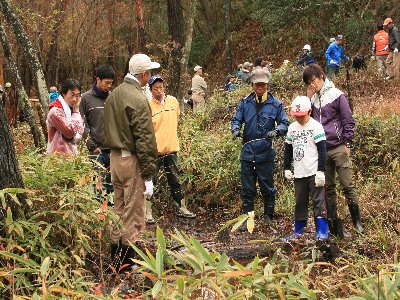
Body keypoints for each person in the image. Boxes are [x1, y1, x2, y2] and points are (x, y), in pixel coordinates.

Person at [104, 53, 159, 272]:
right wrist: (148, 175)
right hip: (131, 159)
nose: (151, 77)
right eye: (150, 73)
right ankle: (125, 264)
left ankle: (114, 259)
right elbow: (145, 140)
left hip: (115, 158)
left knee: (118, 209)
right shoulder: (137, 99)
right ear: (144, 74)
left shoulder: (114, 94)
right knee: (133, 213)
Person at [303, 64, 363, 237]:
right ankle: (334, 224)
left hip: (338, 147)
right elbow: (307, 122)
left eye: (313, 80)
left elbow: (348, 120)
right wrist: (308, 99)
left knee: (347, 185)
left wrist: (348, 143)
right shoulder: (312, 100)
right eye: (309, 82)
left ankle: (357, 222)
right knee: (328, 188)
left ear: (321, 76)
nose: (312, 84)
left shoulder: (337, 95)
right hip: (322, 150)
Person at [231, 69, 289, 229]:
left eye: (263, 84)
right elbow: (236, 119)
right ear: (253, 85)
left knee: (267, 185)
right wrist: (235, 129)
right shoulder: (245, 102)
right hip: (248, 151)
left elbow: (285, 123)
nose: (260, 87)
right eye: (257, 84)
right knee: (247, 187)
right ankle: (248, 219)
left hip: (266, 152)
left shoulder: (276, 104)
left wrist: (277, 131)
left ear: (267, 84)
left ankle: (268, 216)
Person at [146, 75, 196, 223]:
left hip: (172, 149)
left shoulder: (173, 101)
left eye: (161, 87)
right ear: (151, 90)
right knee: (150, 181)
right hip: (155, 151)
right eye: (155, 88)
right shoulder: (148, 105)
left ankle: (182, 206)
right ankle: (147, 211)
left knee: (175, 179)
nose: (159, 91)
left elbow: (177, 119)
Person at [284, 96, 328, 240]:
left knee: (318, 202)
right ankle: (299, 232)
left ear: (309, 111)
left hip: (314, 171)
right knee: (300, 203)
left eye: (301, 116)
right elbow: (288, 149)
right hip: (299, 172)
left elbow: (322, 150)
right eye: (296, 116)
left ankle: (322, 232)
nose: (299, 119)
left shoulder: (316, 126)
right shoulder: (292, 128)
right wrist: (287, 168)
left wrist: (321, 171)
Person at [80, 65, 115, 202]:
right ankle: (99, 214)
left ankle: (111, 215)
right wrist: (92, 145)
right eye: (106, 82)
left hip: (112, 150)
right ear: (98, 80)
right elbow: (82, 123)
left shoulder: (112, 97)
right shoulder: (86, 98)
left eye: (111, 83)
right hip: (96, 150)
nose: (109, 86)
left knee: (112, 185)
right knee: (98, 187)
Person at [46, 79, 84, 155]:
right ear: (64, 93)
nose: (75, 99)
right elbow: (70, 132)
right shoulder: (55, 111)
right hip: (57, 157)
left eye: (77, 96)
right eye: (72, 95)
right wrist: (76, 112)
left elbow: (80, 132)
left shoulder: (71, 109)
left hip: (71, 156)